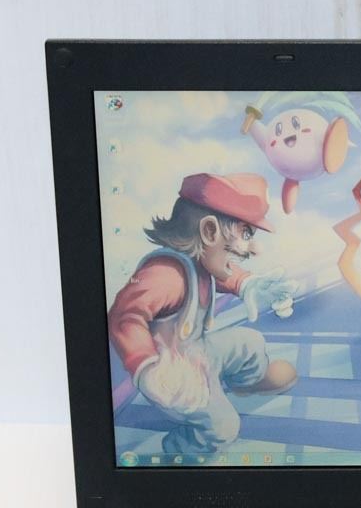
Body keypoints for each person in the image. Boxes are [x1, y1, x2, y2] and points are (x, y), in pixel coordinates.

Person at [108, 172, 298, 455]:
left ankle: (247, 383)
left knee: (250, 342)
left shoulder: (198, 261)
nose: (254, 248)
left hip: (197, 352)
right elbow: (125, 316)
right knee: (224, 427)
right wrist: (148, 368)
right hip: (174, 378)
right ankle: (180, 449)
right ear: (209, 231)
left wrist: (247, 284)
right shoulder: (166, 276)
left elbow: (223, 273)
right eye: (246, 234)